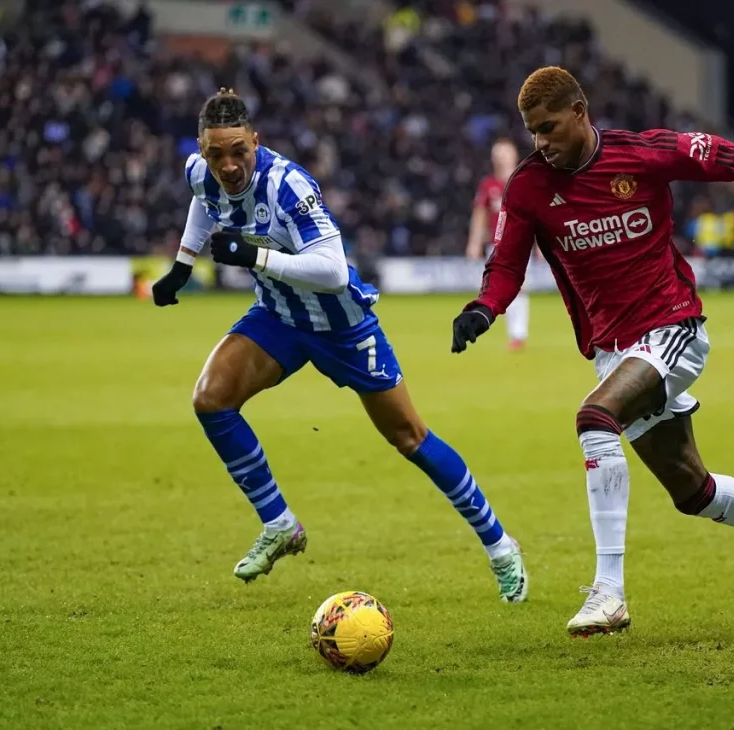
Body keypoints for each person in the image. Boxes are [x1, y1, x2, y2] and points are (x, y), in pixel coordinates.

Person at [451, 67, 734, 636]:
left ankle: (609, 593)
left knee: (595, 418)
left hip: (673, 327)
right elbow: (508, 264)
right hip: (614, 353)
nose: (541, 142)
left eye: (550, 127)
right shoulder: (529, 186)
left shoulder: (643, 155)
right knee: (694, 491)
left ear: (581, 111)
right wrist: (484, 308)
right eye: (533, 132)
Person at [151, 89, 527, 601]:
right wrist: (182, 264)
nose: (229, 164)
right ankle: (280, 523)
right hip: (279, 317)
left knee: (409, 437)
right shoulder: (201, 172)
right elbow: (204, 201)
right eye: (217, 153)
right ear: (203, 148)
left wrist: (254, 259)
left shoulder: (288, 185)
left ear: (256, 142)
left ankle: (501, 546)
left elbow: (331, 271)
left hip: (342, 326)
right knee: (210, 399)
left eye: (238, 150)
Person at [466, 138, 530, 350]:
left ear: (514, 155)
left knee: (518, 289)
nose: (500, 157)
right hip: (495, 246)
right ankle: (510, 332)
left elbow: (535, 214)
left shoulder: (524, 180)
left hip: (521, 244)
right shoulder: (488, 185)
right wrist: (474, 242)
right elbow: (479, 214)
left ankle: (518, 334)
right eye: (497, 154)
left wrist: (539, 245)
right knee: (495, 289)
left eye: (504, 153)